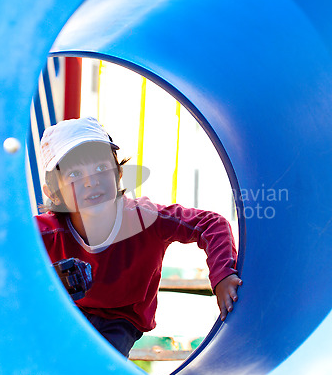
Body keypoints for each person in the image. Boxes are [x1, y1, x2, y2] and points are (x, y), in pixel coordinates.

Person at [35, 116, 242, 358]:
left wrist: (223, 274)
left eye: (101, 168)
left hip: (123, 315)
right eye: (75, 175)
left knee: (100, 362)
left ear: (118, 174)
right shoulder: (46, 232)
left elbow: (210, 224)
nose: (91, 182)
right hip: (70, 310)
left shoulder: (145, 219)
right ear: (54, 193)